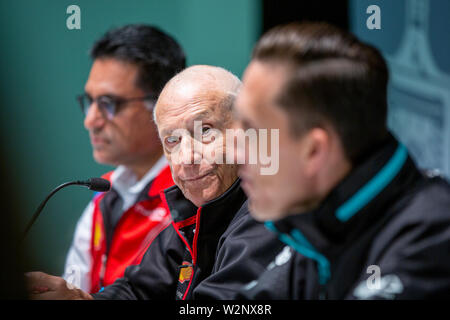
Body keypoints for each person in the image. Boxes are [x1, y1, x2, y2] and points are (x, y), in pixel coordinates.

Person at [26, 65, 283, 300]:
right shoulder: (195, 212)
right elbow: (138, 290)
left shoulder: (269, 213)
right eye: (172, 140)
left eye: (205, 130)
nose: (187, 158)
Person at [234, 22, 450, 299]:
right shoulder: (317, 222)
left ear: (314, 151)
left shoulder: (432, 237)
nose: (235, 153)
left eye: (252, 131)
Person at [63, 24, 185, 293]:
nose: (90, 120)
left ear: (163, 105)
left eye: (108, 103)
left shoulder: (197, 198)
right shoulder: (102, 197)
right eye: (90, 101)